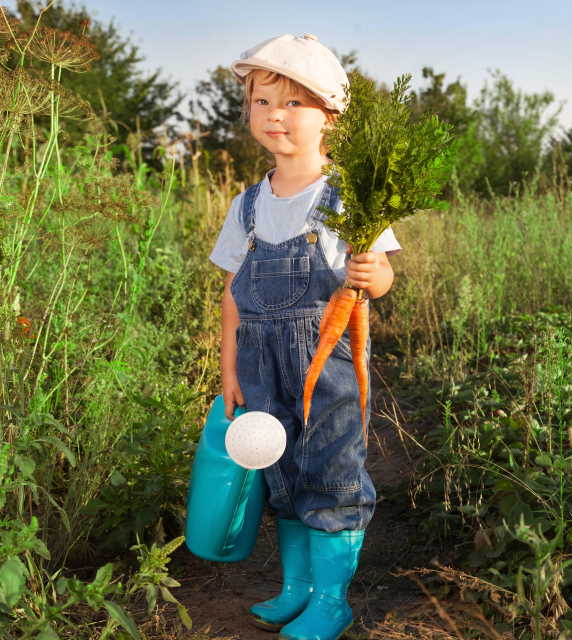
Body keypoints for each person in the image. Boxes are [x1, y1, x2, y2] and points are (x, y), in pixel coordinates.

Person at [209, 33, 399, 640]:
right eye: (262, 103)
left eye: (292, 104)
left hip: (329, 364)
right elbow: (233, 295)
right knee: (281, 474)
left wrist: (376, 275)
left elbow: (383, 272)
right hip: (261, 368)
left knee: (332, 472)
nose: (274, 116)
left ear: (330, 116)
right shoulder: (246, 206)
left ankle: (330, 600)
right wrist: (230, 372)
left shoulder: (350, 200)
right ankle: (295, 588)